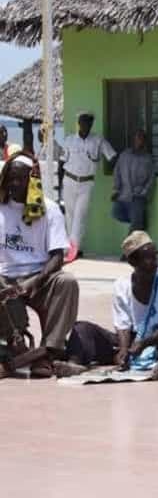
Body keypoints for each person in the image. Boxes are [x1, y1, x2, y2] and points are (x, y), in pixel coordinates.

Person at [62, 232, 158, 380]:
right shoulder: (122, 285)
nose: (155, 262)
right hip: (135, 341)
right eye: (148, 258)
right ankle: (73, 365)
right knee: (82, 328)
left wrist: (144, 344)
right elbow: (123, 324)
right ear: (133, 262)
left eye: (155, 256)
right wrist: (124, 350)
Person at [0, 154, 78, 378]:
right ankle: (17, 345)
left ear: (32, 180)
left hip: (39, 277)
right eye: (10, 179)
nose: (14, 185)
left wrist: (35, 281)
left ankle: (48, 351)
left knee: (67, 282)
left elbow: (57, 258)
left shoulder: (49, 208)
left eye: (20, 179)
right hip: (6, 277)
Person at [60, 111, 117, 258]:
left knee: (80, 216)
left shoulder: (98, 141)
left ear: (92, 124)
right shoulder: (69, 140)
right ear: (78, 123)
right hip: (69, 180)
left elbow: (112, 156)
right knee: (70, 216)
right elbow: (61, 162)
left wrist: (116, 171)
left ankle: (72, 250)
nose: (86, 125)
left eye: (89, 123)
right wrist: (59, 184)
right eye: (84, 122)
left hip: (86, 183)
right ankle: (74, 248)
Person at [111, 129, 155, 236]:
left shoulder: (147, 159)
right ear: (133, 140)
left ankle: (129, 251)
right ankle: (140, 221)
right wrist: (116, 189)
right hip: (123, 194)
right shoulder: (124, 155)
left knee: (135, 226)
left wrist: (144, 192)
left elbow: (151, 178)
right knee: (116, 213)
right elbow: (117, 172)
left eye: (141, 139)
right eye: (137, 138)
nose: (139, 141)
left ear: (144, 141)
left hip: (138, 196)